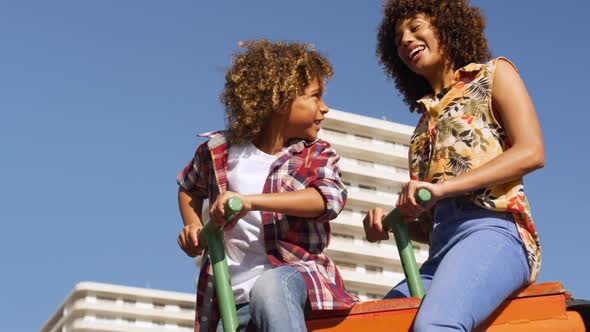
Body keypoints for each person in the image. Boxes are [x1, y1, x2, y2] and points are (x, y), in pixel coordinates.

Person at [363, 0, 544, 331]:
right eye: (398, 37)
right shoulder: (420, 131)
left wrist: (442, 188)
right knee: (374, 325)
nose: (405, 39)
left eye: (415, 27)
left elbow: (531, 151)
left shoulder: (492, 75)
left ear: (446, 25)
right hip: (440, 253)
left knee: (435, 326)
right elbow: (429, 219)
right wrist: (392, 222)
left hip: (495, 232)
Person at [176, 39, 356, 332]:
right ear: (280, 100)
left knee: (270, 287)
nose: (325, 108)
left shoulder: (316, 153)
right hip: (232, 300)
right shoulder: (218, 151)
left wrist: (251, 201)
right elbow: (188, 187)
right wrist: (194, 226)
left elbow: (326, 200)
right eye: (315, 96)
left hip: (294, 280)